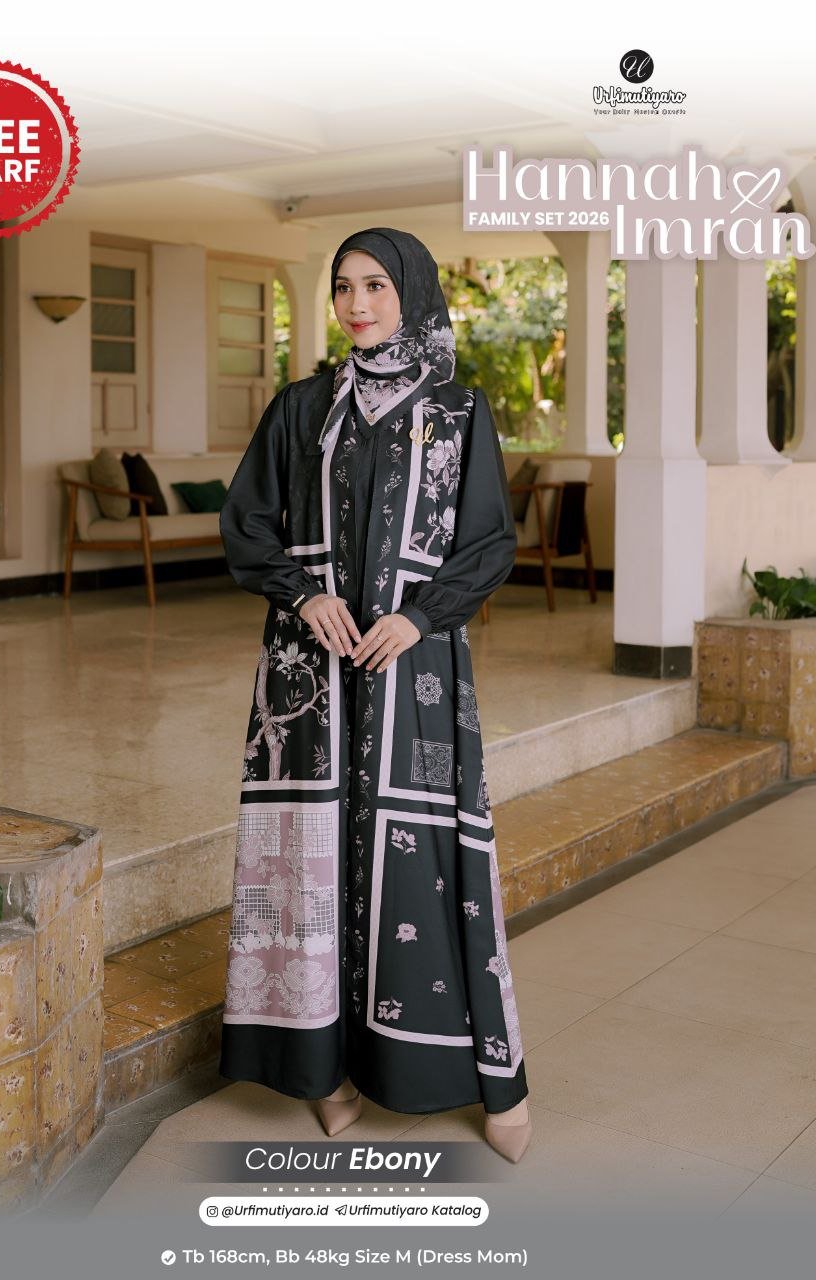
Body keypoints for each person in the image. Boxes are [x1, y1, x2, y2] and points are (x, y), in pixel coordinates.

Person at [217, 227, 532, 1164]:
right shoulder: (302, 407)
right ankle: (328, 1071)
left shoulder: (460, 409)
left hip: (414, 668)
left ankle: (478, 1073)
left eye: (376, 287)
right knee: (310, 857)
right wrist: (302, 595)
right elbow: (247, 523)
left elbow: (488, 541)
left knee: (422, 852)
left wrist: (421, 615)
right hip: (308, 670)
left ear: (412, 294)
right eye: (344, 287)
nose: (357, 305)